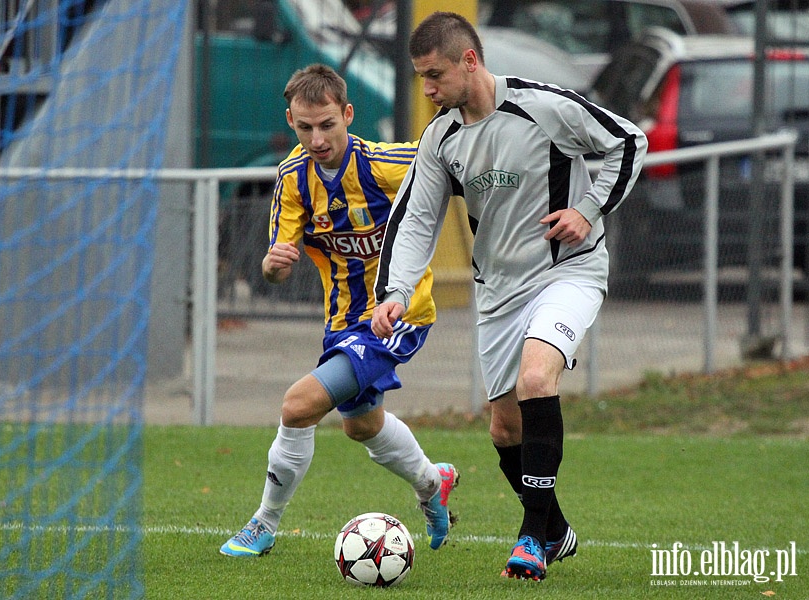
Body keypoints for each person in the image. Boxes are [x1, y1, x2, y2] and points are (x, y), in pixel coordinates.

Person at [372, 12, 647, 581]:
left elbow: (628, 141)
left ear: (469, 61)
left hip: (566, 271)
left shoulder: (544, 107)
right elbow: (416, 218)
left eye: (434, 75)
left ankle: (530, 540)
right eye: (420, 77)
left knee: (536, 380)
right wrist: (395, 291)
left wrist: (585, 210)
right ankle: (556, 529)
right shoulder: (441, 137)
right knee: (504, 429)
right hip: (497, 290)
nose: (427, 89)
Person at [220, 64, 459, 558]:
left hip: (399, 313)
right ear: (291, 120)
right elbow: (276, 272)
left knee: (298, 404)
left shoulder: (386, 163)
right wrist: (271, 264)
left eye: (328, 124)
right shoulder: (291, 179)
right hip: (343, 320)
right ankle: (432, 483)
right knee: (362, 426)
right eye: (305, 127)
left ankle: (263, 524)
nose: (318, 138)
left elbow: (458, 168)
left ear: (347, 114)